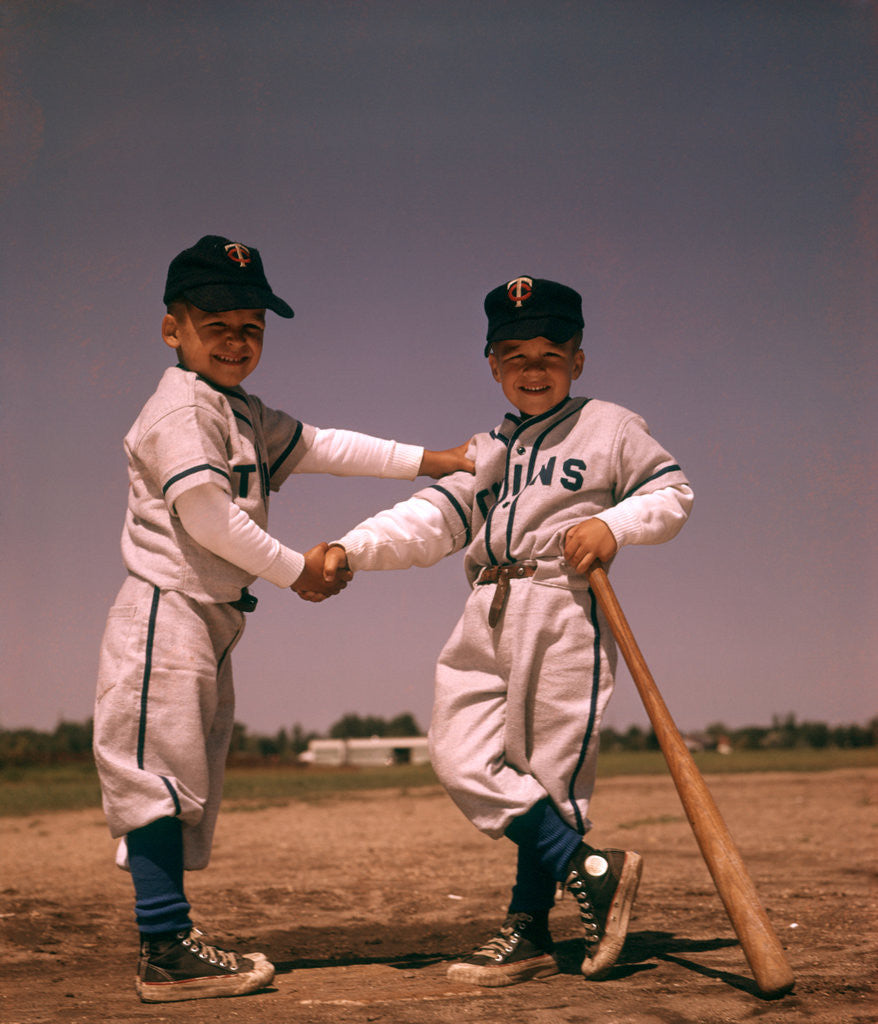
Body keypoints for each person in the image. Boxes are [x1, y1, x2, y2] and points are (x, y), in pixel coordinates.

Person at [92, 235, 473, 1003]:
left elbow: (324, 444)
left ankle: (170, 940)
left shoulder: (234, 409)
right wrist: (297, 569)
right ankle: (164, 950)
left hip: (211, 619)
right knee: (156, 777)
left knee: (185, 776)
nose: (237, 341)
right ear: (174, 329)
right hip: (166, 611)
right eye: (217, 325)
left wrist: (434, 459)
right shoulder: (178, 411)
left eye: (252, 328)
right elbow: (207, 517)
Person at [323, 275, 694, 987]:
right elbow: (431, 518)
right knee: (459, 755)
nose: (533, 368)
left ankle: (525, 929)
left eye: (550, 352)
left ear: (578, 360)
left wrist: (612, 524)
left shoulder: (610, 426)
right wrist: (351, 548)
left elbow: (671, 493)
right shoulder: (490, 449)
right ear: (491, 364)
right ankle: (593, 871)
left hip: (562, 603)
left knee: (549, 773)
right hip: (486, 601)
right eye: (514, 354)